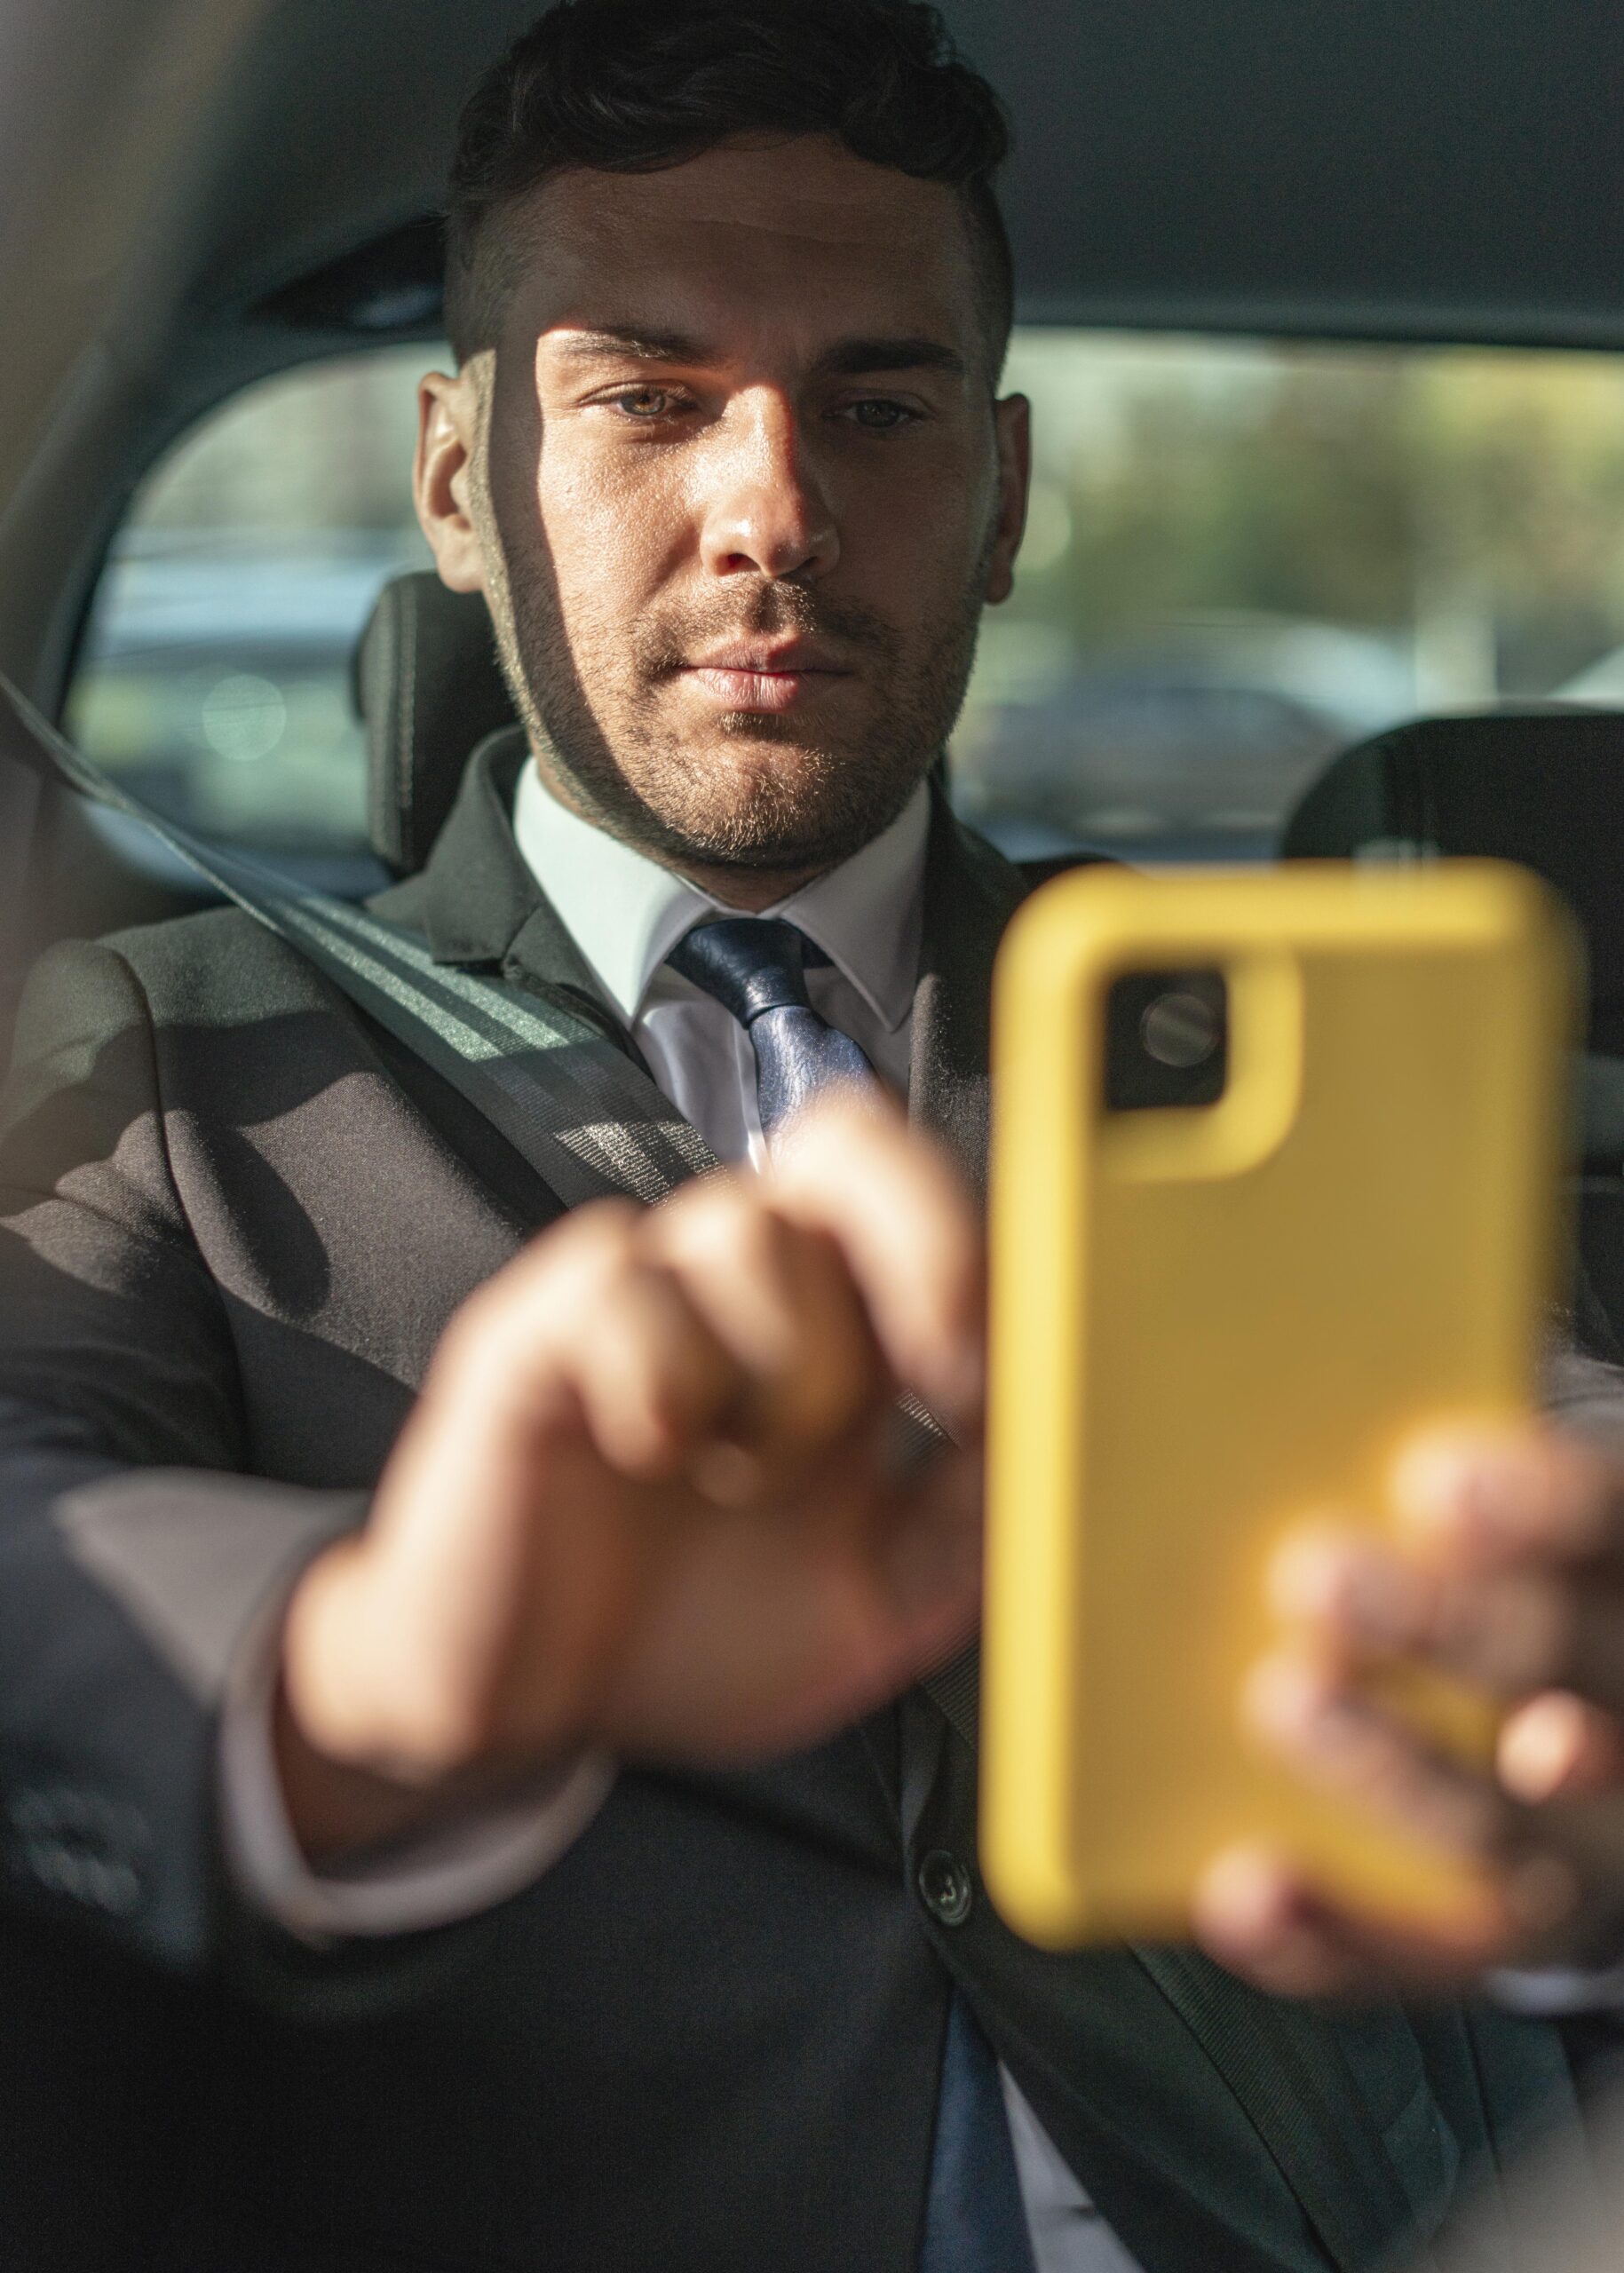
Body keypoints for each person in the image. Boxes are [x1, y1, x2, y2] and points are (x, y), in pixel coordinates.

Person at [4, 2, 1624, 2266]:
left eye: (877, 402)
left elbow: (1545, 1451)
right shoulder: (163, 1070)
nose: (772, 504)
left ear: (1006, 493)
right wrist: (372, 1664)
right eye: (648, 397)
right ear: (461, 483)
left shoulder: (1248, 1034)